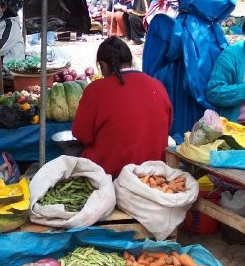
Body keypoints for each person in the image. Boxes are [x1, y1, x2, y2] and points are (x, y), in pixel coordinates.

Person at [72, 37, 172, 177]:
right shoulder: (157, 85)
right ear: (130, 61)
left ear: (103, 65)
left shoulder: (96, 90)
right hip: (153, 173)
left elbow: (81, 134)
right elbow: (166, 126)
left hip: (111, 173)